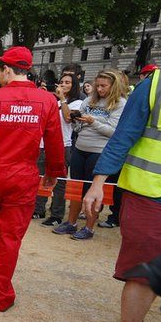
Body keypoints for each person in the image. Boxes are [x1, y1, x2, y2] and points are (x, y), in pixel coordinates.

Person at [83, 67, 161, 322]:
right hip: (153, 194)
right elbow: (123, 135)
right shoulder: (158, 85)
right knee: (145, 271)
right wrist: (98, 183)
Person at [0, 46, 65, 312]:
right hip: (24, 175)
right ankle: (1, 295)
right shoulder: (48, 101)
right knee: (10, 237)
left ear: (6, 69)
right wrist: (53, 171)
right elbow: (54, 140)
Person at [52, 69, 128, 240]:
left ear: (113, 86)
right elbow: (78, 128)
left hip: (100, 151)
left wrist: (92, 122)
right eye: (98, 85)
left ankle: (89, 226)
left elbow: (114, 132)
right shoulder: (88, 100)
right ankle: (71, 223)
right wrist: (76, 121)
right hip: (80, 148)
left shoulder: (121, 104)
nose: (100, 89)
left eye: (104, 86)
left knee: (91, 190)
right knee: (75, 188)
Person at [36, 73, 82, 226]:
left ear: (73, 85)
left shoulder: (77, 102)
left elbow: (68, 118)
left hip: (63, 144)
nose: (63, 84)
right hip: (44, 144)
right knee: (41, 176)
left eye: (67, 82)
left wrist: (62, 99)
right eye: (61, 82)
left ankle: (56, 214)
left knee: (59, 181)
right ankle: (39, 208)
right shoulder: (53, 101)